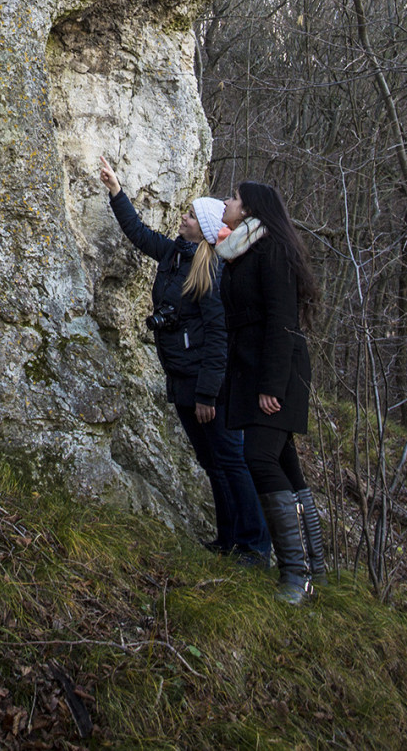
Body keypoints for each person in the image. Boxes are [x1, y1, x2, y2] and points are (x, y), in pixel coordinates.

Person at [98, 157, 270, 564]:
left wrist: (209, 394)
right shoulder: (175, 254)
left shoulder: (210, 274)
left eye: (190, 215)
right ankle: (229, 539)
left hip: (206, 385)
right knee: (213, 463)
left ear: (205, 228)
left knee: (231, 461)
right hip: (182, 378)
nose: (183, 217)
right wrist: (116, 191)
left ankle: (255, 545)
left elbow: (218, 340)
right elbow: (139, 234)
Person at [217, 180, 327, 605]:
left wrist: (270, 386)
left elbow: (284, 322)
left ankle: (296, 579)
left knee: (258, 457)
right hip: (253, 368)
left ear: (249, 210)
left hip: (276, 373)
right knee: (285, 464)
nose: (227, 202)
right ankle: (313, 570)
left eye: (234, 198)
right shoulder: (243, 250)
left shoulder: (272, 249)